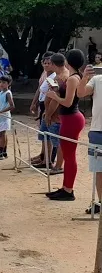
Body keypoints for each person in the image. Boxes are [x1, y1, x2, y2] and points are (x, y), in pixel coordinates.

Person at [45, 50, 86, 201]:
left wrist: (54, 96)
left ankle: (68, 190)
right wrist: (56, 91)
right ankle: (66, 187)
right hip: (70, 118)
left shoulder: (72, 79)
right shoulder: (74, 77)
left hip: (71, 118)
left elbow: (68, 102)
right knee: (69, 155)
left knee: (69, 156)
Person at [77, 64, 102, 213]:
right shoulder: (97, 80)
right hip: (98, 131)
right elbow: (80, 93)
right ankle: (100, 201)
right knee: (99, 171)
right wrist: (85, 77)